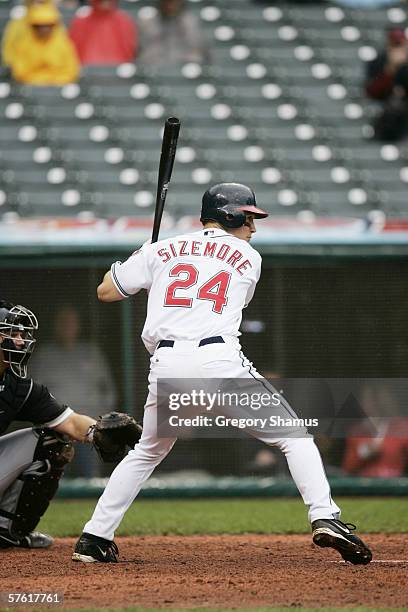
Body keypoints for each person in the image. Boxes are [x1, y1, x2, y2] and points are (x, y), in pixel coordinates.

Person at [72, 183, 372, 566]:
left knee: (146, 452)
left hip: (167, 366)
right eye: (248, 216)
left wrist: (144, 262)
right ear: (229, 214)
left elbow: (105, 292)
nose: (253, 226)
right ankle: (325, 517)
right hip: (217, 362)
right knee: (294, 437)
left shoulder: (160, 249)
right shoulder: (249, 257)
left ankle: (94, 538)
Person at [0, 301, 96, 549]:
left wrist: (103, 432)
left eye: (22, 334)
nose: (20, 342)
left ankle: (7, 531)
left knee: (53, 441)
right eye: (11, 334)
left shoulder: (18, 386)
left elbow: (72, 423)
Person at [30, 306, 117, 478]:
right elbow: (32, 395)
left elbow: (109, 391)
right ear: (55, 325)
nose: (67, 326)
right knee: (53, 478)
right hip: (56, 429)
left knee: (91, 480)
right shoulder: (44, 356)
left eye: (71, 322)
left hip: (88, 427)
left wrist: (102, 420)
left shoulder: (91, 353)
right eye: (63, 322)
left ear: (78, 325)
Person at [8, 3, 80, 85]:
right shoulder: (23, 45)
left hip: (58, 88)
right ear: (32, 26)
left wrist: (53, 81)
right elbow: (19, 71)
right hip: (30, 89)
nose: (44, 29)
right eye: (39, 26)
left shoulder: (64, 44)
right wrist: (39, 80)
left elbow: (71, 71)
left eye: (48, 25)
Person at [365, 27, 408, 141]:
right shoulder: (378, 62)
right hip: (389, 120)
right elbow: (372, 92)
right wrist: (391, 68)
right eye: (394, 44)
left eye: (400, 44)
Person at [137, 0, 208, 66]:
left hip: (184, 67)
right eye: (167, 2)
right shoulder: (147, 21)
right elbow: (141, 49)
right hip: (154, 68)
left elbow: (198, 47)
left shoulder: (190, 21)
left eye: (174, 2)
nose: (170, 6)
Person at [69, 0, 138, 66]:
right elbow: (74, 50)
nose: (105, 3)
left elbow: (129, 50)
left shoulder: (123, 21)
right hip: (88, 69)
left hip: (118, 70)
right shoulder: (81, 22)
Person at [2, 0, 59, 68]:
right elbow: (9, 46)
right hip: (24, 73)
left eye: (41, 2)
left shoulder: (55, 22)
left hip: (54, 73)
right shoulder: (19, 22)